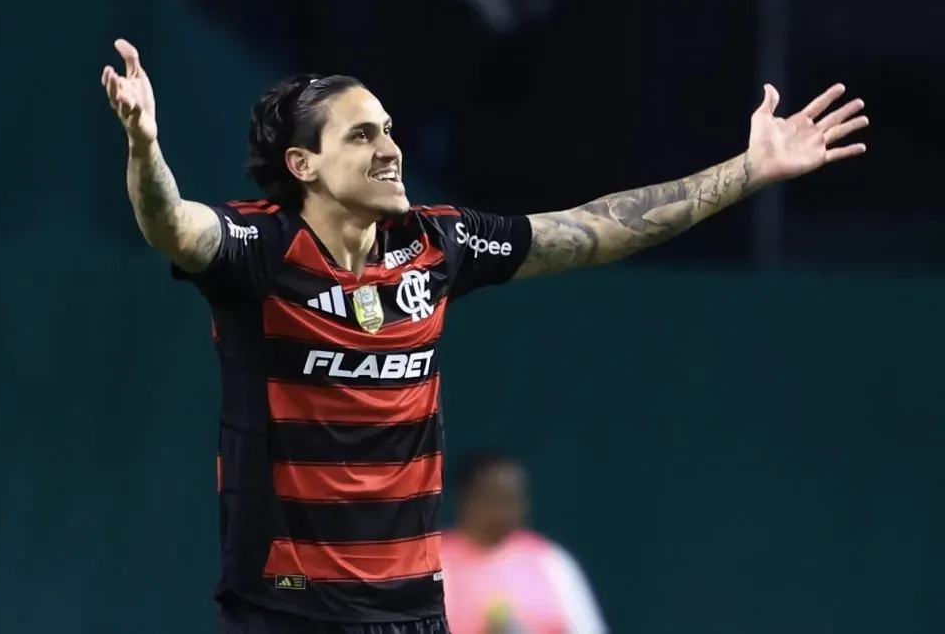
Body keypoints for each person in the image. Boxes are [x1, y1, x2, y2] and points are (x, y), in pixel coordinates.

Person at [100, 37, 867, 634]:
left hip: (413, 612)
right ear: (301, 164)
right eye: (362, 135)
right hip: (285, 611)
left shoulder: (438, 245)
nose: (390, 148)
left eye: (390, 130)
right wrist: (144, 148)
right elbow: (174, 224)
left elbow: (594, 230)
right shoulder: (258, 250)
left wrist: (747, 169)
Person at [441, 452, 607, 634]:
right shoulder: (433, 562)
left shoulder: (550, 560)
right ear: (465, 499)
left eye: (513, 500)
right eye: (495, 498)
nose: (505, 511)